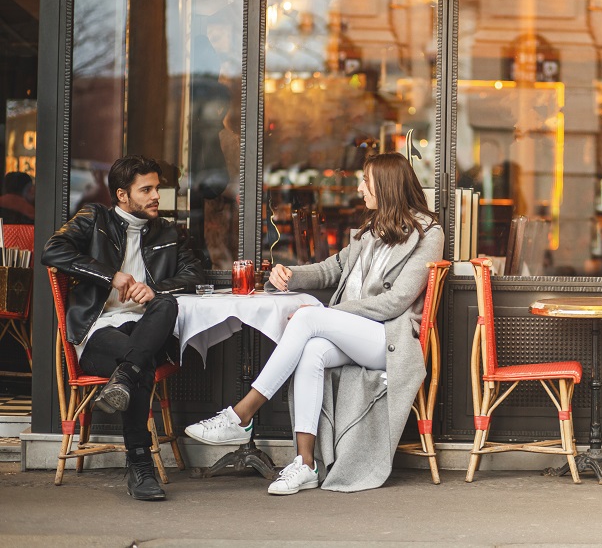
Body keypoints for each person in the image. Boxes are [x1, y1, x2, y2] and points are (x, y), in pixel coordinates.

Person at [185, 152, 444, 495]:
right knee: (313, 350)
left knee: (308, 320)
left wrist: (330, 315)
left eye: (365, 180)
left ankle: (241, 414)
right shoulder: (368, 231)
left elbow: (396, 301)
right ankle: (305, 464)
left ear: (386, 185)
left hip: (390, 340)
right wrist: (291, 276)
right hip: (357, 334)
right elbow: (331, 268)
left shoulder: (428, 233)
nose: (359, 186)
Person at [42, 155, 203, 501]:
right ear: (122, 195)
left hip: (147, 328)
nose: (156, 196)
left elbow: (195, 276)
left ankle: (124, 378)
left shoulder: (169, 232)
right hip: (99, 332)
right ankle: (140, 465)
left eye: (157, 188)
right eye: (146, 189)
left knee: (166, 305)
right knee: (140, 364)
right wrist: (110, 275)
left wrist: (155, 290)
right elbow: (53, 251)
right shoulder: (94, 219)